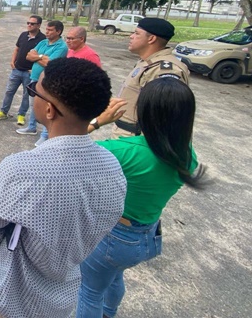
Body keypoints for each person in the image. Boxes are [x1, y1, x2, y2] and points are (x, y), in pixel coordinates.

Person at [0, 58, 127, 318]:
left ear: (49, 110)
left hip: (11, 299)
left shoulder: (21, 169)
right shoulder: (112, 167)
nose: (32, 93)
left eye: (35, 91)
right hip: (61, 300)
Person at [77, 78, 205, 318]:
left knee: (89, 292)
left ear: (145, 111)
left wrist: (97, 121)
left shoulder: (124, 151)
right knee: (114, 277)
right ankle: (109, 313)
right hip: (146, 237)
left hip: (113, 237)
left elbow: (66, 147)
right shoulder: (186, 155)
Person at [113, 17, 189, 138]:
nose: (131, 36)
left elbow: (162, 117)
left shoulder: (164, 69)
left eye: (137, 33)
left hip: (137, 140)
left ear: (151, 38)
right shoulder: (148, 62)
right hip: (127, 135)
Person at [16, 20, 67, 137]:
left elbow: (50, 64)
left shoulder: (62, 46)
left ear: (58, 31)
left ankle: (45, 135)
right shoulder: (43, 42)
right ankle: (31, 127)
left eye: (50, 30)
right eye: (47, 29)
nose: (47, 32)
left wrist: (37, 56)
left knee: (47, 108)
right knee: (33, 105)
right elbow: (28, 56)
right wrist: (41, 57)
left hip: (48, 82)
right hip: (34, 78)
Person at [0, 15, 45, 126]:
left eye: (32, 23)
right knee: (9, 91)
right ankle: (3, 112)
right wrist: (12, 61)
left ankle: (21, 115)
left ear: (39, 25)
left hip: (29, 73)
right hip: (16, 70)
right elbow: (17, 48)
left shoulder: (42, 39)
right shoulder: (23, 35)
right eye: (28, 23)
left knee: (26, 95)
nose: (29, 25)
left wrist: (34, 68)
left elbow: (42, 56)